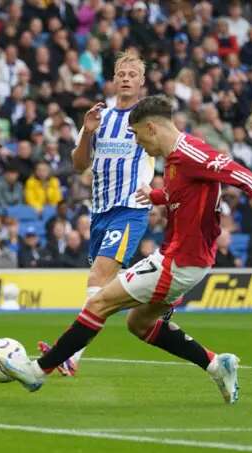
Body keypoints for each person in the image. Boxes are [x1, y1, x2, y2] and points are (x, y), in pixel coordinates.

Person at [0, 95, 252, 404]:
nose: (139, 144)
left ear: (151, 128)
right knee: (139, 324)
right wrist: (156, 196)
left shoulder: (192, 154)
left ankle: (37, 371)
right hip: (188, 260)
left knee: (99, 303)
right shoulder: (176, 159)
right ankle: (216, 364)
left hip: (178, 261)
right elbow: (186, 193)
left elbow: (243, 175)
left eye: (138, 136)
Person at [59, 51, 155, 375]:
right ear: (114, 80)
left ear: (141, 81)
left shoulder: (149, 119)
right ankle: (157, 294)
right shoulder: (100, 117)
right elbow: (78, 164)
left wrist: (160, 189)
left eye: (132, 73)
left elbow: (170, 154)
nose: (126, 78)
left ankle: (71, 355)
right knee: (107, 287)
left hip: (130, 208)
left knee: (98, 276)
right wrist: (87, 131)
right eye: (121, 73)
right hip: (100, 210)